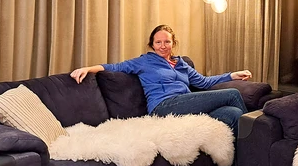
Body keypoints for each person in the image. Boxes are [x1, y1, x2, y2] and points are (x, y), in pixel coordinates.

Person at [70, 25, 252, 137]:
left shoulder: (181, 63)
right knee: (233, 94)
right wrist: (88, 68)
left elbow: (203, 82)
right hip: (163, 106)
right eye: (158, 42)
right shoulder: (144, 61)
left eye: (167, 42)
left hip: (185, 103)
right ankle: (256, 148)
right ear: (152, 45)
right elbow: (114, 67)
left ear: (173, 43)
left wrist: (232, 75)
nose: (163, 46)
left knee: (234, 113)